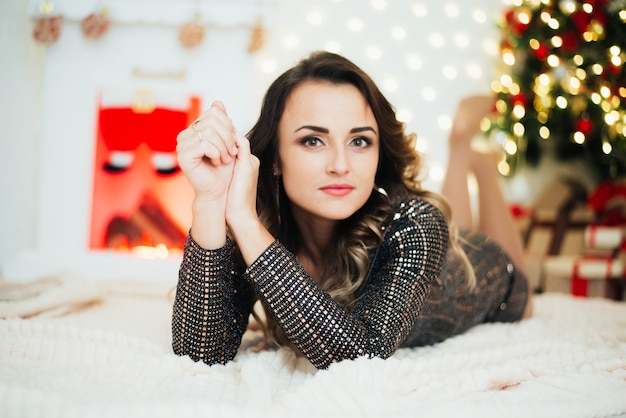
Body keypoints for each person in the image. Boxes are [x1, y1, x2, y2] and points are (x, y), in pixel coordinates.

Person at [171, 51, 532, 370]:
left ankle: (473, 157)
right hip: (440, 257)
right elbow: (200, 353)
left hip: (486, 278)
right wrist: (210, 201)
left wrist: (245, 223)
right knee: (459, 226)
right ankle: (469, 156)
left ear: (378, 153)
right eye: (313, 140)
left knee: (515, 280)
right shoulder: (261, 227)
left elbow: (362, 354)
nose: (341, 165)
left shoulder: (416, 224)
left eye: (359, 141)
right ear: (275, 157)